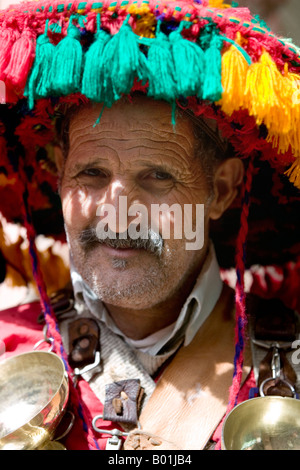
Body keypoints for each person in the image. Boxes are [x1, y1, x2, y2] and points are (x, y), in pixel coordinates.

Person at [0, 0, 299, 451]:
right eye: (92, 174)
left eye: (157, 177)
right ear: (60, 174)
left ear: (220, 190)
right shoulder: (8, 346)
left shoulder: (291, 367)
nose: (117, 212)